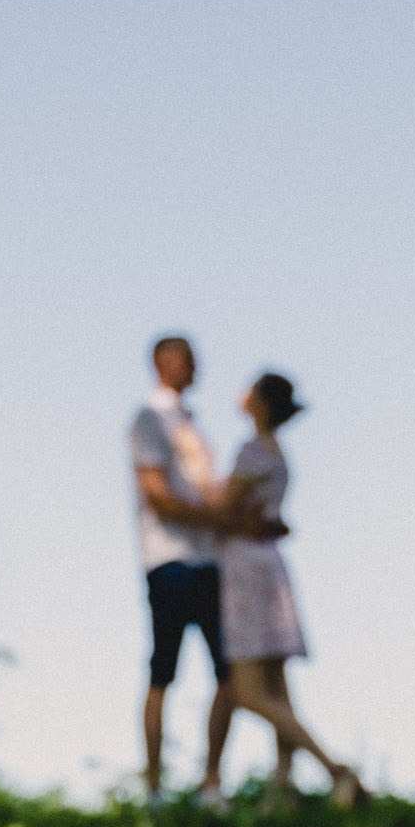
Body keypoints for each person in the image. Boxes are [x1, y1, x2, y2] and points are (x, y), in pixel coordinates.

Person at [214, 372, 363, 803]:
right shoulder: (278, 454)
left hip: (244, 569)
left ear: (260, 402)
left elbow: (223, 511)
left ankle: (334, 769)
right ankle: (282, 787)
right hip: (270, 568)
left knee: (248, 691)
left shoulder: (252, 452)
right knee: (278, 686)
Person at [129, 334, 232, 801]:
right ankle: (154, 786)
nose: (196, 367)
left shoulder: (190, 423)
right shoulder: (150, 419)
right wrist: (218, 518)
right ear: (162, 363)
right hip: (169, 558)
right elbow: (157, 494)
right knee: (163, 670)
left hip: (206, 558)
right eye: (188, 359)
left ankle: (210, 781)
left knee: (228, 671)